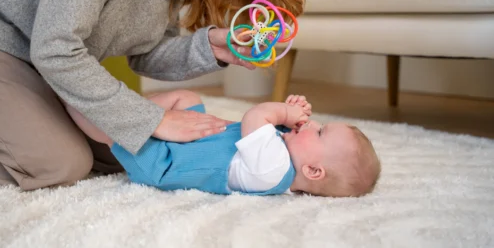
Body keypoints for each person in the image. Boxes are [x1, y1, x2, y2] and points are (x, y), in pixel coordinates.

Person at [0, 0, 304, 190]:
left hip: (37, 59)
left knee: (125, 149)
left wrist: (211, 48)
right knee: (59, 164)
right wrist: (151, 120)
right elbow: (56, 48)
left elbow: (145, 53)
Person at [65, 91, 381, 197]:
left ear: (313, 170)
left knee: (116, 128)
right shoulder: (284, 154)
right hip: (191, 141)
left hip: (166, 162)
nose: (313, 125)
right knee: (187, 99)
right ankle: (127, 104)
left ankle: (74, 102)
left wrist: (283, 111)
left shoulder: (273, 170)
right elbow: (274, 131)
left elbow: (255, 118)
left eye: (320, 133)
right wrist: (293, 116)